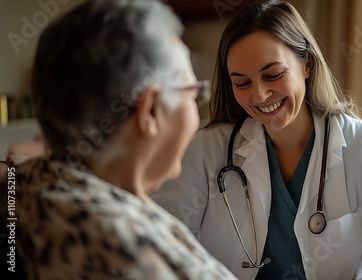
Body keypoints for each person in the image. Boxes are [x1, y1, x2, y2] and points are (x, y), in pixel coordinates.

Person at [151, 0, 362, 279]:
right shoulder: (206, 150)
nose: (260, 95)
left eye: (273, 74)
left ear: (307, 65)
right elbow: (159, 247)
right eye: (242, 83)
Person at [0, 0, 238, 279]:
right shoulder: (146, 265)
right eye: (192, 94)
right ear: (149, 109)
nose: (196, 109)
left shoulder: (23, 191)